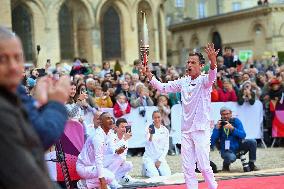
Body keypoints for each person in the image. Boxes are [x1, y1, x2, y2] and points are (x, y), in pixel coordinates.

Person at [143, 43, 218, 189]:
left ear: (201, 66)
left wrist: (213, 61)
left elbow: (212, 76)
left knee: (203, 165)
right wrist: (149, 75)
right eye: (188, 62)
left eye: (193, 62)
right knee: (188, 168)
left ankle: (212, 187)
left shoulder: (204, 81)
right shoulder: (183, 82)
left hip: (201, 129)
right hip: (186, 130)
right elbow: (163, 88)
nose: (189, 65)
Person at [0, 26, 58, 188]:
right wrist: (56, 104)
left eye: (17, 58)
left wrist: (36, 102)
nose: (13, 66)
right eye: (2, 59)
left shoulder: (12, 96)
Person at [76, 112, 124, 189]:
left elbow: (112, 150)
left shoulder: (109, 134)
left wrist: (117, 151)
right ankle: (84, 183)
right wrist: (102, 181)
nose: (111, 120)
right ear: (101, 122)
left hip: (94, 165)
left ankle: (105, 181)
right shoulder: (98, 136)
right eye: (108, 118)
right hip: (84, 167)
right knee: (110, 176)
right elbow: (98, 159)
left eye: (111, 118)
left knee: (119, 157)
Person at [211, 107, 259, 172]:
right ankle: (225, 165)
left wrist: (233, 129)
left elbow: (243, 135)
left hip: (239, 146)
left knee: (252, 142)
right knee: (231, 158)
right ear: (220, 115)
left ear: (231, 114)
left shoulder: (236, 121)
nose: (225, 116)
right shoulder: (219, 124)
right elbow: (212, 142)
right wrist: (216, 129)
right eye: (223, 114)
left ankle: (251, 164)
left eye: (227, 114)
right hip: (226, 149)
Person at [142, 111, 171, 177]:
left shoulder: (165, 130)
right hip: (149, 157)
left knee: (167, 175)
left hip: (160, 157)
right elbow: (148, 142)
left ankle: (155, 169)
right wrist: (151, 134)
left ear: (161, 118)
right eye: (155, 117)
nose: (157, 119)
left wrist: (160, 160)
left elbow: (166, 147)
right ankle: (146, 168)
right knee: (155, 176)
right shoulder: (148, 128)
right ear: (152, 118)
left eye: (158, 117)